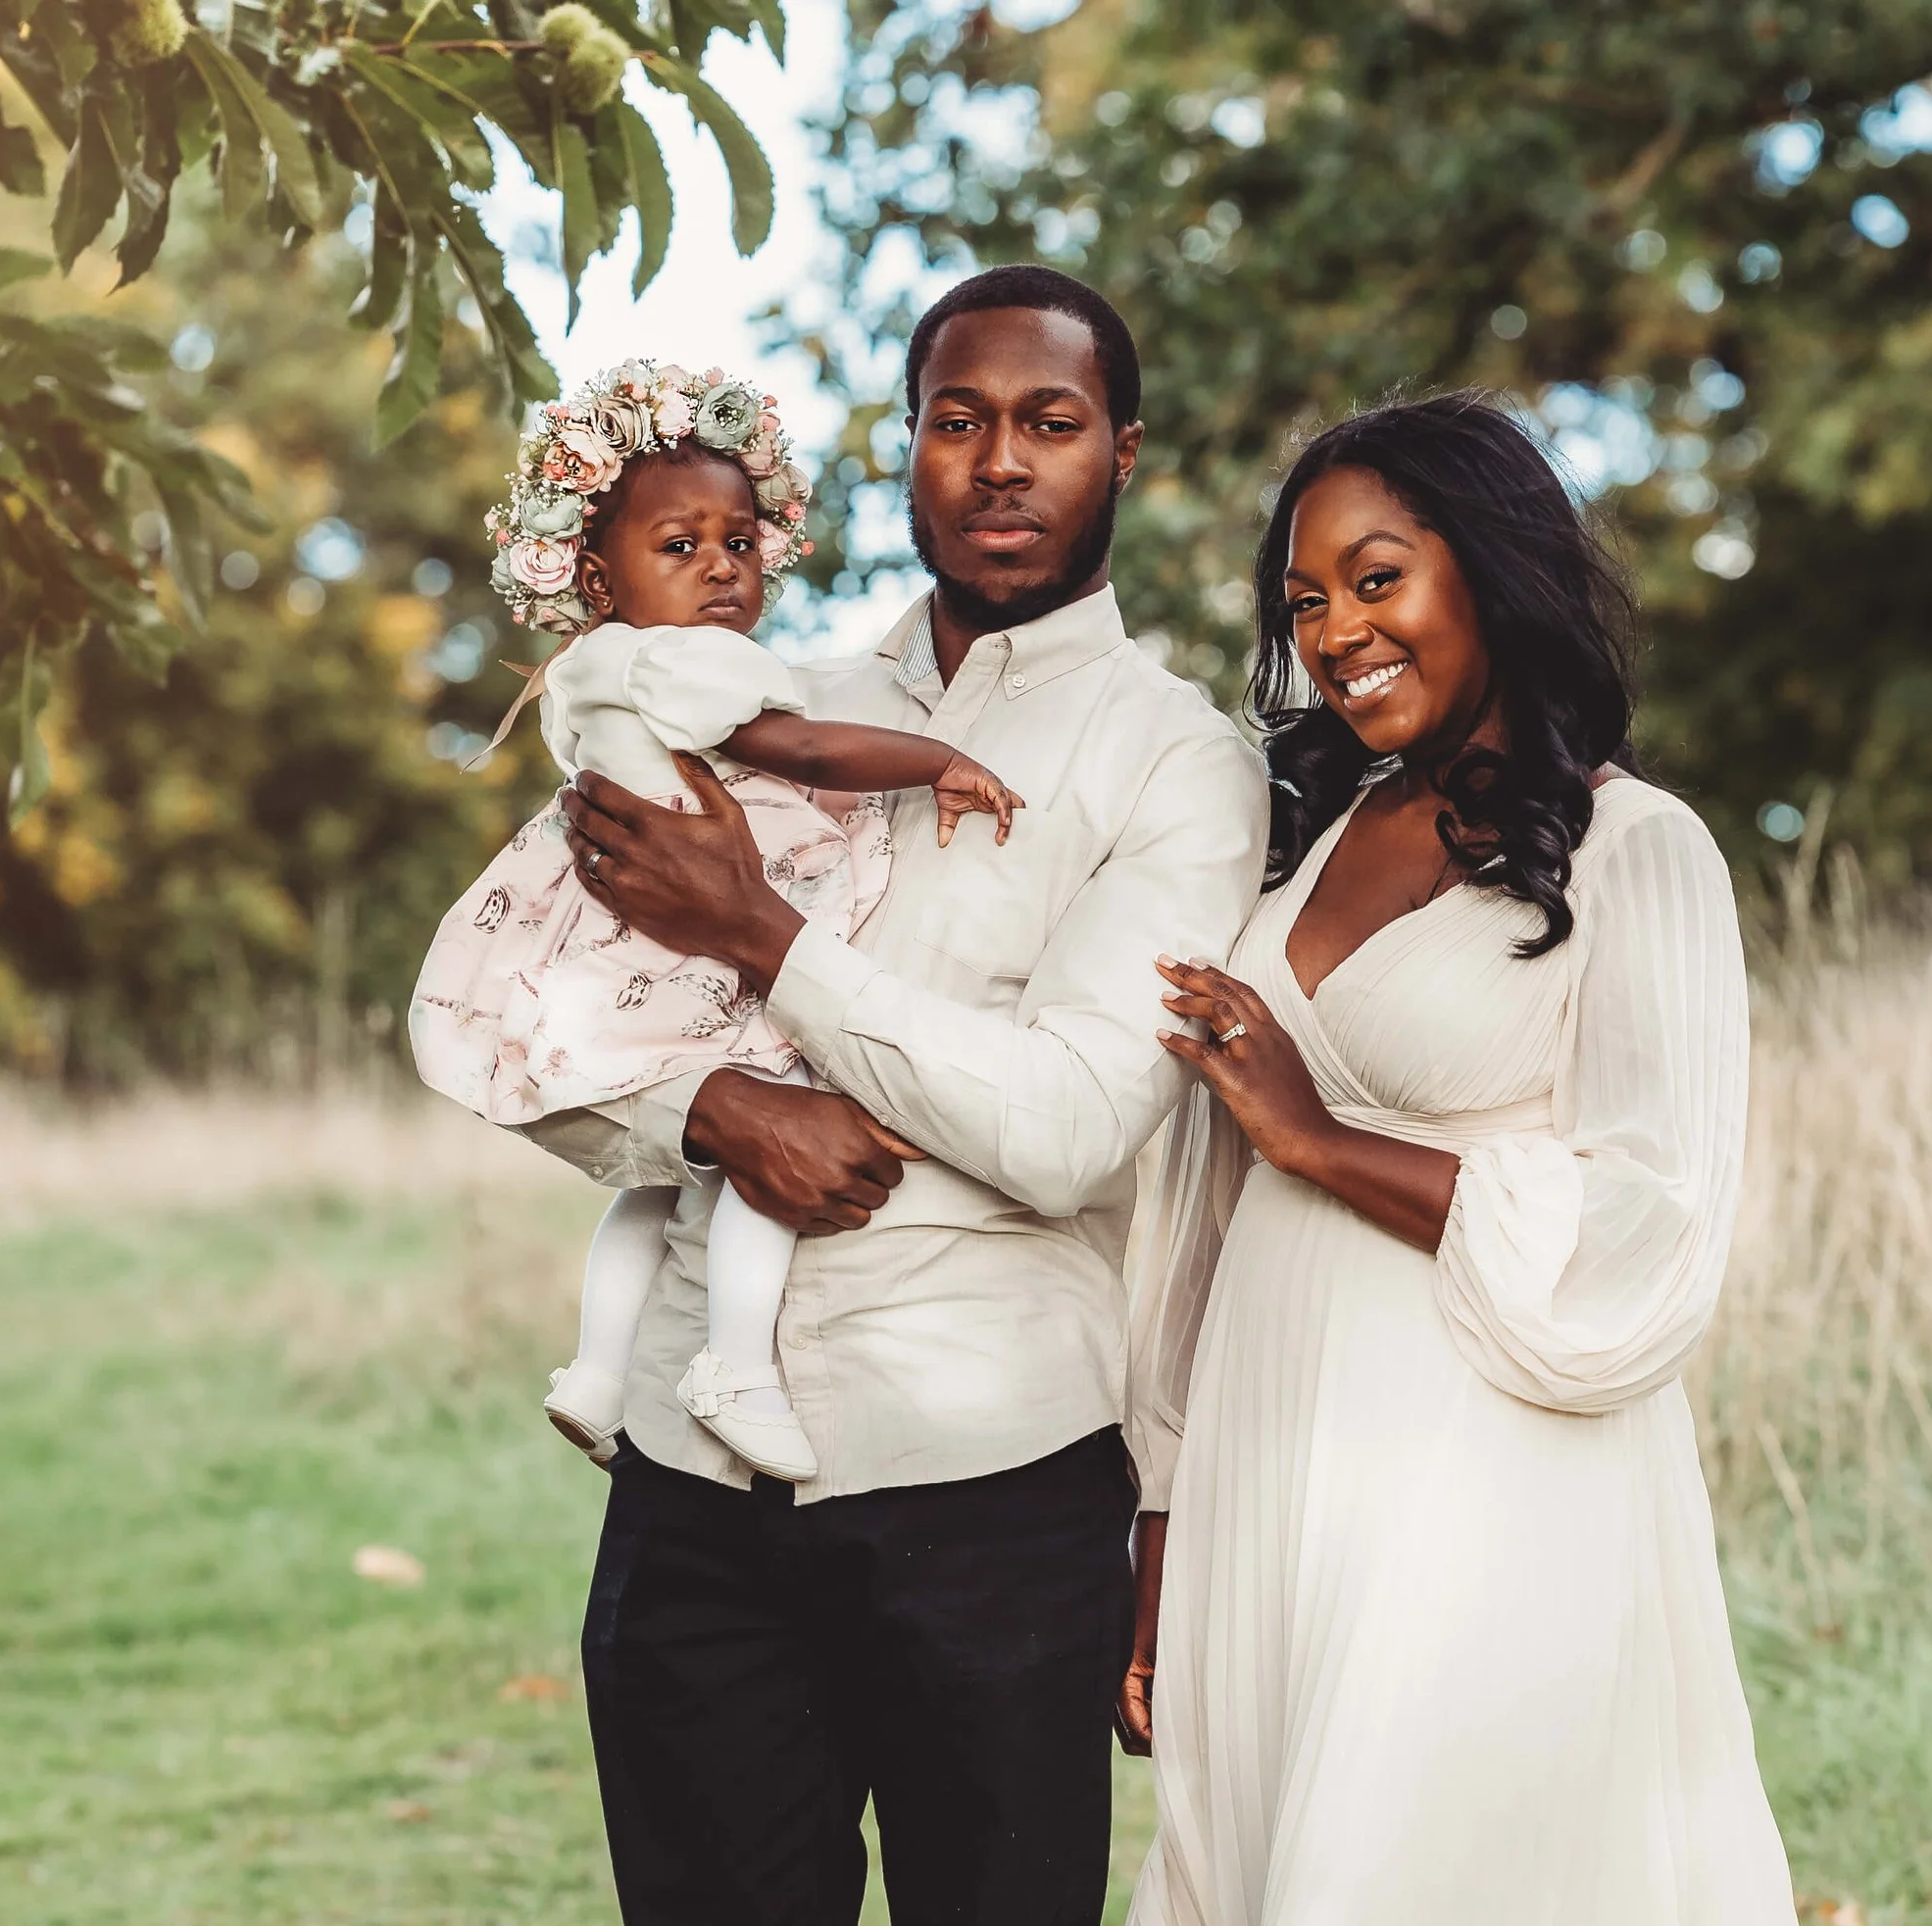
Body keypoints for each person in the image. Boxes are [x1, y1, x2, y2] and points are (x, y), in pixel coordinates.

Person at [529, 269, 1268, 1924]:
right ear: (910, 449)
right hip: (693, 1496)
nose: (1000, 460)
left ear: (1123, 454)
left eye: (1049, 422)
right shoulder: (743, 700)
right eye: (958, 419)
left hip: (992, 1490)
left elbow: (1071, 1121)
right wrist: (714, 1117)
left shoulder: (1179, 760)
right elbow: (552, 1019)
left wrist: (763, 939)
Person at [1120, 393, 1798, 1923]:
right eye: (1306, 601)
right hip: (1264, 1452)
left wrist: (1319, 1136)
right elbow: (1197, 1205)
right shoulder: (1294, 837)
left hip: (1482, 1464)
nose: (1339, 631)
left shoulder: (1640, 853)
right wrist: (1159, 1516)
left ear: (1489, 570)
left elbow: (1651, 1222)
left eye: (1378, 576)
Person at [412, 360, 1022, 1483]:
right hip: (676, 946)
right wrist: (937, 758)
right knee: (762, 1145)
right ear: (598, 574)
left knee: (663, 1174)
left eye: (739, 545)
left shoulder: (593, 668)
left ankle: (597, 1369)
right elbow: (802, 749)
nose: (721, 572)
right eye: (680, 548)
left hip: (606, 944)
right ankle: (734, 1366)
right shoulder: (674, 662)